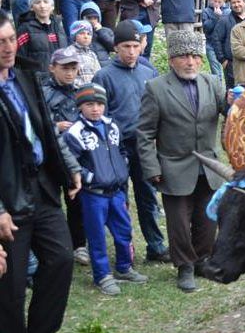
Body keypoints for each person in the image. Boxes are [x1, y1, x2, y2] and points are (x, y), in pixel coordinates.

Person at [0, 14, 85, 333]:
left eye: (8, 39)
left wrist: (68, 168)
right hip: (8, 197)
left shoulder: (24, 76)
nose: (6, 48)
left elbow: (45, 129)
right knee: (11, 283)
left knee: (61, 259)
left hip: (42, 187)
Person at [137, 31, 228, 292]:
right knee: (178, 223)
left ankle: (201, 259)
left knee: (207, 219)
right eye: (184, 56)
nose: (190, 62)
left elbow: (229, 111)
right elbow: (144, 133)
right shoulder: (156, 88)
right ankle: (184, 266)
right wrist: (152, 167)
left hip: (208, 167)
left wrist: (234, 102)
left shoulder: (212, 83)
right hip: (174, 167)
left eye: (195, 56)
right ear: (172, 58)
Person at [93, 21, 168, 262]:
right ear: (116, 47)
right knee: (119, 200)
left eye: (136, 45)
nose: (132, 51)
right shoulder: (103, 76)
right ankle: (125, 250)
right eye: (126, 46)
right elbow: (96, 115)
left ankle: (156, 246)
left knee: (148, 197)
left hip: (144, 145)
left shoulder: (149, 72)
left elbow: (159, 109)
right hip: (116, 147)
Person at [64, 83, 147, 296]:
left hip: (117, 191)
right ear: (80, 107)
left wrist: (122, 168)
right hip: (93, 194)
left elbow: (120, 150)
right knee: (97, 235)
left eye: (100, 104)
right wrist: (90, 177)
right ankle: (102, 275)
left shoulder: (112, 125)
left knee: (124, 230)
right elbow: (71, 162)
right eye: (89, 104)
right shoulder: (75, 132)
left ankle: (123, 267)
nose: (95, 109)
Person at [42, 47, 88, 265]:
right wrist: (56, 127)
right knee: (49, 201)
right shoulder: (42, 93)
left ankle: (78, 244)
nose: (70, 73)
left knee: (76, 201)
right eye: (65, 68)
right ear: (53, 68)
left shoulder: (80, 91)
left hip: (76, 156)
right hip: (49, 158)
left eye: (73, 68)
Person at [15, 0, 67, 72]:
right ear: (31, 7)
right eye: (37, 2)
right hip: (36, 82)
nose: (42, 6)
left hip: (59, 80)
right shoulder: (25, 29)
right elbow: (19, 60)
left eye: (46, 2)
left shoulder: (59, 28)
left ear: (52, 6)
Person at [212, 0, 245, 88]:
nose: (236, 5)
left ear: (244, 2)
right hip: (231, 63)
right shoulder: (225, 20)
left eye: (238, 2)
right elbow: (216, 39)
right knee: (232, 91)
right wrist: (222, 60)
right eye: (233, 3)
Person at [201, 0, 229, 79]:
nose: (216, 4)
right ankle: (217, 90)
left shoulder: (228, 12)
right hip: (211, 45)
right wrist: (215, 17)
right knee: (216, 71)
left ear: (224, 1)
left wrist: (221, 18)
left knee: (227, 71)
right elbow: (206, 28)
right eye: (214, 1)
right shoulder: (206, 11)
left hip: (225, 46)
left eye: (219, 2)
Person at [67, 20, 101, 86]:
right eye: (82, 33)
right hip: (77, 92)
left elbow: (98, 74)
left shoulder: (92, 55)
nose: (86, 36)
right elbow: (68, 75)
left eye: (89, 34)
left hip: (93, 91)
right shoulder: (69, 52)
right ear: (75, 36)